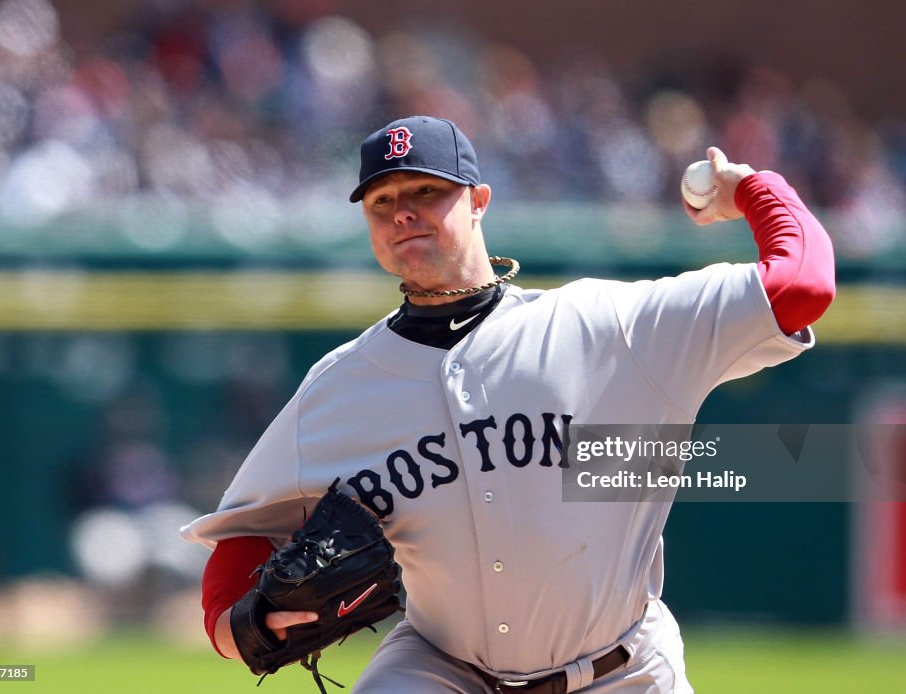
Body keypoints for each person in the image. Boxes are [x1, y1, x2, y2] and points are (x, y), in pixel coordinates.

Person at [181, 115, 835, 693]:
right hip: (443, 670)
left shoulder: (610, 327)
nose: (403, 211)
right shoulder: (340, 387)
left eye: (426, 191)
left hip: (625, 671)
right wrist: (249, 628)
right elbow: (238, 540)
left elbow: (802, 286)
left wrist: (754, 189)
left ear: (479, 202)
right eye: (382, 201)